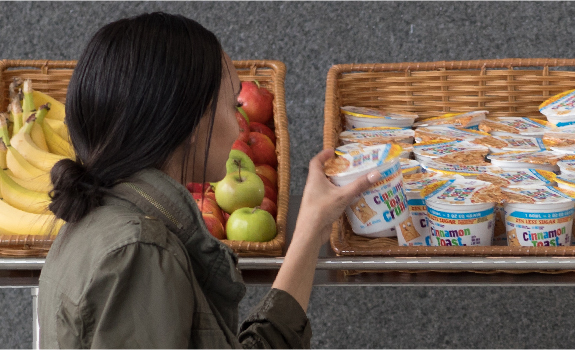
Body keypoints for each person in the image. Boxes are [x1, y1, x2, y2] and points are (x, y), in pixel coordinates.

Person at [36, 12, 378, 348]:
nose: (238, 126)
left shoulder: (104, 223)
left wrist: (311, 229)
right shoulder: (139, 253)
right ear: (190, 122)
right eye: (232, 105)